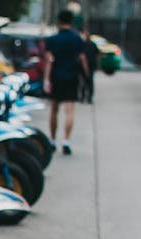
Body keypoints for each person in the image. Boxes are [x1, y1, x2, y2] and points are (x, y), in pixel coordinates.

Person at [43, 9, 88, 155]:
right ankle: (66, 141)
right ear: (71, 22)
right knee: (70, 110)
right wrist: (86, 77)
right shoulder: (77, 39)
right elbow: (82, 59)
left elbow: (49, 60)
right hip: (72, 77)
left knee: (54, 110)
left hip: (56, 77)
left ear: (58, 21)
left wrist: (46, 79)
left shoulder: (52, 39)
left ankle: (52, 140)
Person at [81, 30, 99, 104]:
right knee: (87, 82)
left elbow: (97, 54)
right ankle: (86, 97)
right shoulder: (86, 44)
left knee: (87, 82)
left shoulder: (86, 44)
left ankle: (86, 97)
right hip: (87, 66)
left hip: (89, 65)